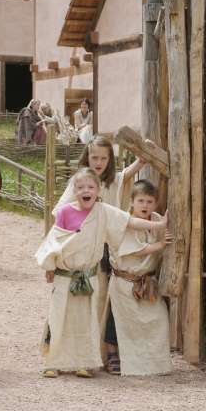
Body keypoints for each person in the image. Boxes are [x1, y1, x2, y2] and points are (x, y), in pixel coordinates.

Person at [35, 168, 167, 378]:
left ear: (98, 190)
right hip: (64, 276)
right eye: (80, 187)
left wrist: (158, 224)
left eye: (90, 187)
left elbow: (129, 221)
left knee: (88, 320)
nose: (85, 190)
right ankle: (53, 361)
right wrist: (50, 266)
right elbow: (53, 241)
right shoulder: (64, 213)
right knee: (59, 316)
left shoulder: (103, 211)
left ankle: (85, 362)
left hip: (89, 276)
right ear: (74, 190)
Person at [52, 135, 150, 373]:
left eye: (103, 158)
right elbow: (60, 213)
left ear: (110, 159)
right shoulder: (81, 182)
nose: (98, 162)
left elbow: (131, 171)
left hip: (104, 247)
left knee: (99, 298)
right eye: (94, 157)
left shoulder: (113, 180)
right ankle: (61, 354)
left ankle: (94, 354)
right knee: (69, 300)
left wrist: (144, 151)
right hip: (80, 248)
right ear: (87, 156)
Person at [107, 180, 173, 376]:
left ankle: (154, 364)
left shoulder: (157, 220)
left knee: (158, 319)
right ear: (132, 202)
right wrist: (160, 245)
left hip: (147, 284)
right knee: (128, 327)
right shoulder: (126, 222)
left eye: (150, 201)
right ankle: (130, 364)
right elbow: (137, 251)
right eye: (141, 201)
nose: (145, 205)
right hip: (126, 284)